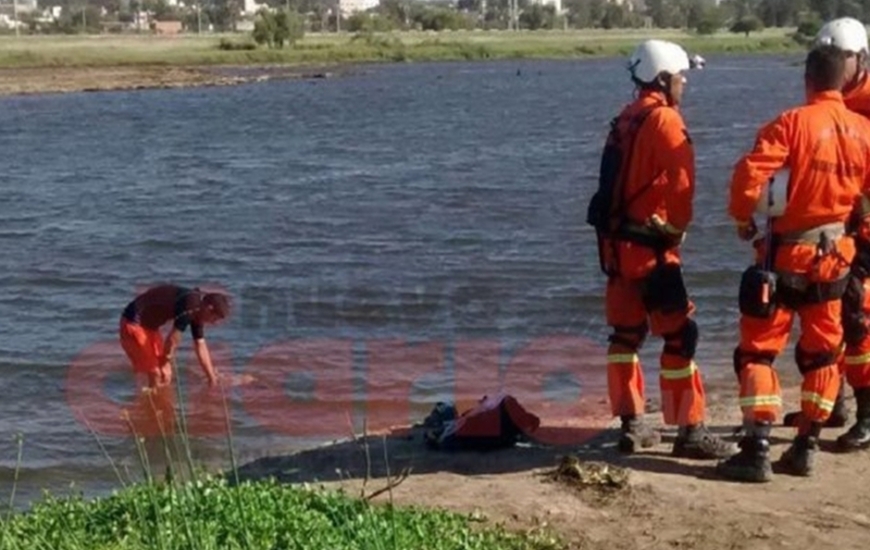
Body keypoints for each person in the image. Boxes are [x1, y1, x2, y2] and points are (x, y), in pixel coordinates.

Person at [717, 45, 870, 482]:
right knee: (823, 353)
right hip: (836, 257)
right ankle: (806, 446)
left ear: (807, 79)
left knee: (759, 351)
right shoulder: (863, 130)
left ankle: (757, 447)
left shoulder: (790, 123)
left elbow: (748, 177)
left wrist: (743, 218)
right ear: (845, 79)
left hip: (786, 255)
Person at [586, 39, 734, 460]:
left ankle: (632, 425)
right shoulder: (666, 120)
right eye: (681, 76)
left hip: (617, 250)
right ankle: (689, 429)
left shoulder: (627, 117)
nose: (685, 83)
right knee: (680, 335)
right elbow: (683, 182)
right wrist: (676, 228)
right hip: (651, 250)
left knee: (625, 337)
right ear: (665, 78)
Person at [804, 16, 870, 451]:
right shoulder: (834, 101)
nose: (836, 65)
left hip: (864, 228)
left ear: (860, 59)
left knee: (859, 318)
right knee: (832, 320)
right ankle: (836, 402)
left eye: (842, 57)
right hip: (842, 230)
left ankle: (868, 414)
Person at [119, 284, 230, 389]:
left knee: (166, 375)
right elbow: (173, 339)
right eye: (215, 319)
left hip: (151, 327)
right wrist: (166, 360)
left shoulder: (199, 310)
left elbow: (200, 344)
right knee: (155, 372)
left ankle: (154, 401)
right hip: (133, 321)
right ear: (209, 308)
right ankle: (151, 403)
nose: (214, 323)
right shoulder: (190, 306)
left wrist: (211, 378)